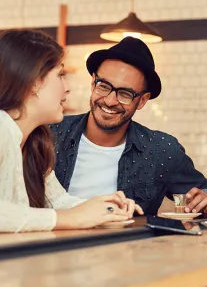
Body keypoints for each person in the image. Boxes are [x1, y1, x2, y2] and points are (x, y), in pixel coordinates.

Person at [50, 37, 207, 216]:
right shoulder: (49, 134)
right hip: (51, 243)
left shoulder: (161, 150)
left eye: (125, 94)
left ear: (142, 100)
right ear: (93, 83)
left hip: (129, 244)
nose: (110, 101)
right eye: (104, 86)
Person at [0, 29, 142, 233]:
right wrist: (70, 218)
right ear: (33, 82)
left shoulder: (35, 141)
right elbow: (65, 215)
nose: (67, 88)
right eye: (60, 75)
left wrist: (108, 209)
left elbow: (58, 201)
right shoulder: (2, 127)